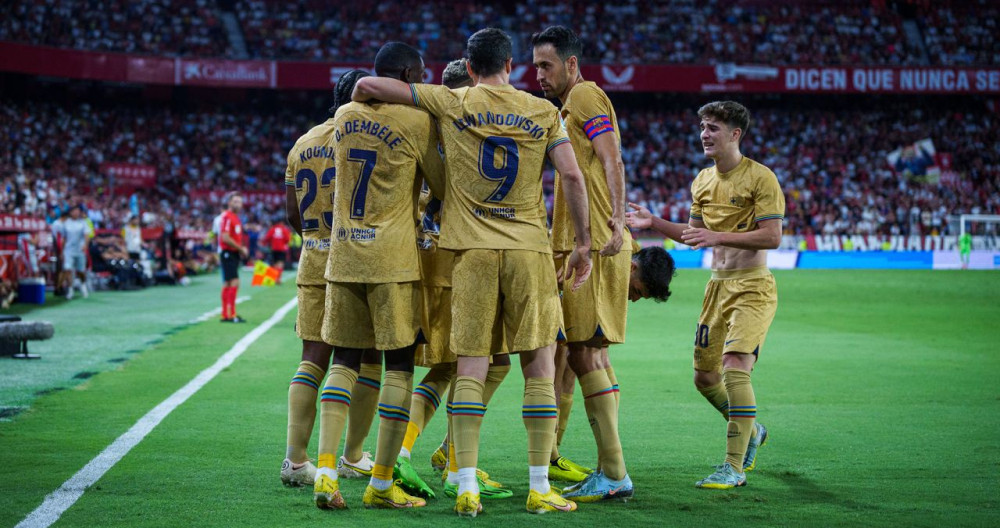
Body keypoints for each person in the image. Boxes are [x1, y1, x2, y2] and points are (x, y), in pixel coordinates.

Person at [352, 27, 594, 516]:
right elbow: (571, 174)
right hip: (528, 250)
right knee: (539, 366)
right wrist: (583, 243)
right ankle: (539, 486)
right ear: (511, 65)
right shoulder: (542, 110)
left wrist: (360, 98)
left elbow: (368, 85)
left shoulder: (451, 100)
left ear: (469, 64)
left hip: (471, 254)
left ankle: (465, 485)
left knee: (469, 366)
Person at [626, 100, 784, 490]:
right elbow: (694, 234)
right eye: (702, 127)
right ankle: (751, 429)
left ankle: (733, 467)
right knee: (704, 377)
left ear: (735, 134)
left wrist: (717, 236)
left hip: (752, 285)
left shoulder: (761, 178)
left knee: (735, 366)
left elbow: (772, 236)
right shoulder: (702, 181)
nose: (704, 134)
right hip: (717, 286)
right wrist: (653, 222)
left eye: (713, 127)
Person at [314, 42, 444, 510]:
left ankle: (325, 472)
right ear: (407, 75)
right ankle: (383, 484)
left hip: (344, 254)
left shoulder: (345, 115)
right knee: (400, 366)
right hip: (392, 259)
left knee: (344, 361)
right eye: (420, 76)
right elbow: (442, 184)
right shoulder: (416, 120)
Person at [393, 58, 513, 502]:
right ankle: (455, 463)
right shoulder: (472, 128)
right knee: (484, 363)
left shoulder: (424, 125)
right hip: (461, 257)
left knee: (450, 366)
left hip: (426, 253)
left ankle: (425, 453)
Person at [281, 69, 383, 489]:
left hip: (313, 258)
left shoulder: (303, 143)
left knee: (312, 358)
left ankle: (295, 460)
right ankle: (353, 456)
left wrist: (315, 240)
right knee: (365, 358)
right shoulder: (365, 138)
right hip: (355, 259)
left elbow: (292, 213)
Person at [218, 193, 248, 323]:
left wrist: (240, 248)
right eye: (235, 201)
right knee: (234, 281)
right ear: (229, 203)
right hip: (228, 253)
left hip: (233, 253)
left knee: (228, 282)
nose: (238, 204)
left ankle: (226, 314)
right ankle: (230, 314)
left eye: (239, 202)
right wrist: (241, 248)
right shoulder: (227, 216)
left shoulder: (235, 217)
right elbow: (225, 237)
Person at [58, 205, 94, 300]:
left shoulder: (83, 223)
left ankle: (83, 284)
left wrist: (85, 245)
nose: (77, 213)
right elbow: (64, 238)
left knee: (81, 271)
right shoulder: (66, 223)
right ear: (71, 212)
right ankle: (70, 289)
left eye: (78, 211)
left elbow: (87, 235)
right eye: (75, 211)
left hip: (80, 250)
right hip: (68, 250)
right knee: (67, 269)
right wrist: (62, 251)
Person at [262, 219, 292, 284]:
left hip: (274, 249)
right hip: (282, 249)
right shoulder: (284, 229)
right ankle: (278, 279)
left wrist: (271, 243)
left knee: (275, 264)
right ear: (281, 222)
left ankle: (274, 278)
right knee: (280, 264)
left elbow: (267, 238)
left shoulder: (272, 229)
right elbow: (287, 239)